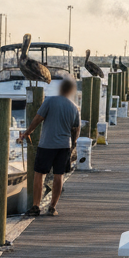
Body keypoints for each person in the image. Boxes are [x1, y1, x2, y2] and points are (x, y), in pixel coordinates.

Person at [19, 77, 80, 216]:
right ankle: (52, 207)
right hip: (64, 146)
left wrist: (28, 132)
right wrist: (73, 143)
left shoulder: (49, 101)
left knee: (39, 174)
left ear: (60, 89)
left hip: (47, 144)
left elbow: (37, 118)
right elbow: (76, 128)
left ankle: (35, 206)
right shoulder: (73, 107)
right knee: (59, 175)